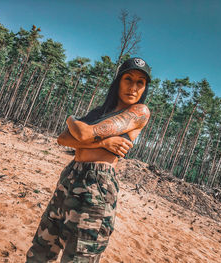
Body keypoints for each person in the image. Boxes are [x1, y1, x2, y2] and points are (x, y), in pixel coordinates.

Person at [26, 57, 152, 263]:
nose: (133, 87)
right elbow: (63, 138)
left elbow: (82, 135)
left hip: (98, 185)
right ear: (118, 81)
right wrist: (102, 143)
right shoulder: (99, 112)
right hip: (71, 176)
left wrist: (73, 121)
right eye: (128, 79)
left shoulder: (139, 111)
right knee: (40, 250)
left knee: (79, 257)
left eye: (140, 82)